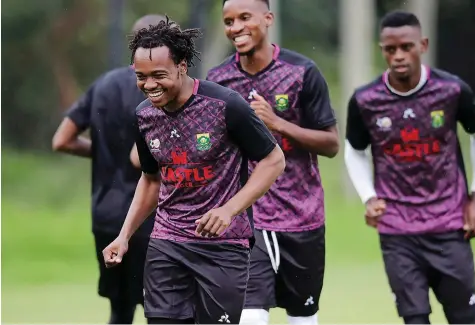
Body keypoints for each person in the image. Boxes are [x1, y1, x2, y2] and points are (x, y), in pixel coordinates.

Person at [101, 16, 285, 325]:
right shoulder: (144, 116)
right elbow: (150, 180)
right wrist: (124, 236)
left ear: (182, 66)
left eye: (159, 75)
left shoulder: (226, 105)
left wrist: (229, 210)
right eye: (141, 77)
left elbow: (273, 160)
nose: (149, 85)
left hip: (223, 247)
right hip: (167, 243)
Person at [344, 10, 475, 325]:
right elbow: (354, 151)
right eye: (390, 49)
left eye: (406, 47)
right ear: (381, 49)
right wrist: (369, 198)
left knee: (464, 318)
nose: (398, 56)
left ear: (422, 45)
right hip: (398, 230)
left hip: (450, 224)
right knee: (414, 320)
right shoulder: (365, 100)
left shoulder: (451, 90)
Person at [207, 1, 339, 324]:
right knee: (250, 316)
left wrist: (278, 123)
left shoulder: (302, 73)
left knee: (303, 316)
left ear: (268, 19)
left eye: (244, 18)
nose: (236, 27)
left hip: (302, 216)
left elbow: (332, 143)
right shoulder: (218, 80)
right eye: (228, 21)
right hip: (249, 217)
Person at [52, 14, 167, 324]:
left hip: (105, 216)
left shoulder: (103, 84)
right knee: (161, 309)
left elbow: (61, 140)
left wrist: (103, 154)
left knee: (120, 309)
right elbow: (138, 158)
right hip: (149, 217)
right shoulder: (160, 88)